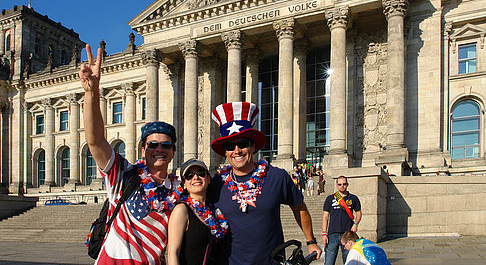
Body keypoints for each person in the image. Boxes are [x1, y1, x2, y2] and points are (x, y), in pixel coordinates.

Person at [80, 44, 182, 264]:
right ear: (143, 149)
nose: (159, 150)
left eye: (166, 146)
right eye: (153, 145)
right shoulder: (124, 175)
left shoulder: (179, 190)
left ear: (173, 152)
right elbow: (95, 141)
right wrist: (91, 93)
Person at [207, 101, 322, 264]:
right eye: (230, 145)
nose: (237, 150)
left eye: (243, 144)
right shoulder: (216, 184)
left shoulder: (277, 177)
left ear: (253, 146)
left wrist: (311, 242)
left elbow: (299, 207)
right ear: (225, 152)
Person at [167, 159, 229, 265]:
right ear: (184, 184)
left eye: (200, 173)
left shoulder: (213, 212)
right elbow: (173, 253)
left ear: (208, 179)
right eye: (189, 175)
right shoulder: (181, 210)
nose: (196, 177)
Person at [322, 176, 362, 265]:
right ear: (336, 185)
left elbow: (358, 213)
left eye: (344, 184)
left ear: (347, 184)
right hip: (332, 234)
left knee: (349, 262)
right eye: (339, 184)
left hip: (347, 235)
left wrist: (355, 224)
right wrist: (324, 234)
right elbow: (325, 216)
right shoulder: (330, 198)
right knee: (328, 262)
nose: (342, 186)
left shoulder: (353, 198)